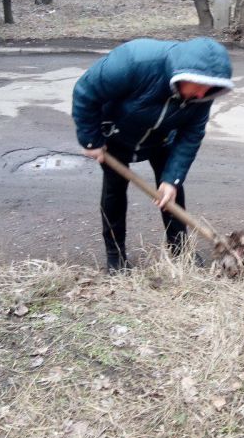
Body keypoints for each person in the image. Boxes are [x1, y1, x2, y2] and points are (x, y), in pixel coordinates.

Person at [72, 36, 234, 272]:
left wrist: (172, 179)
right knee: (115, 190)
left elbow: (190, 137)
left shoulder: (204, 95)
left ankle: (180, 251)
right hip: (116, 135)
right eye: (198, 86)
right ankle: (116, 257)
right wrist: (90, 139)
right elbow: (86, 91)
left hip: (162, 138)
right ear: (184, 74)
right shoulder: (135, 60)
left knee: (172, 193)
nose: (201, 94)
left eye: (207, 89)